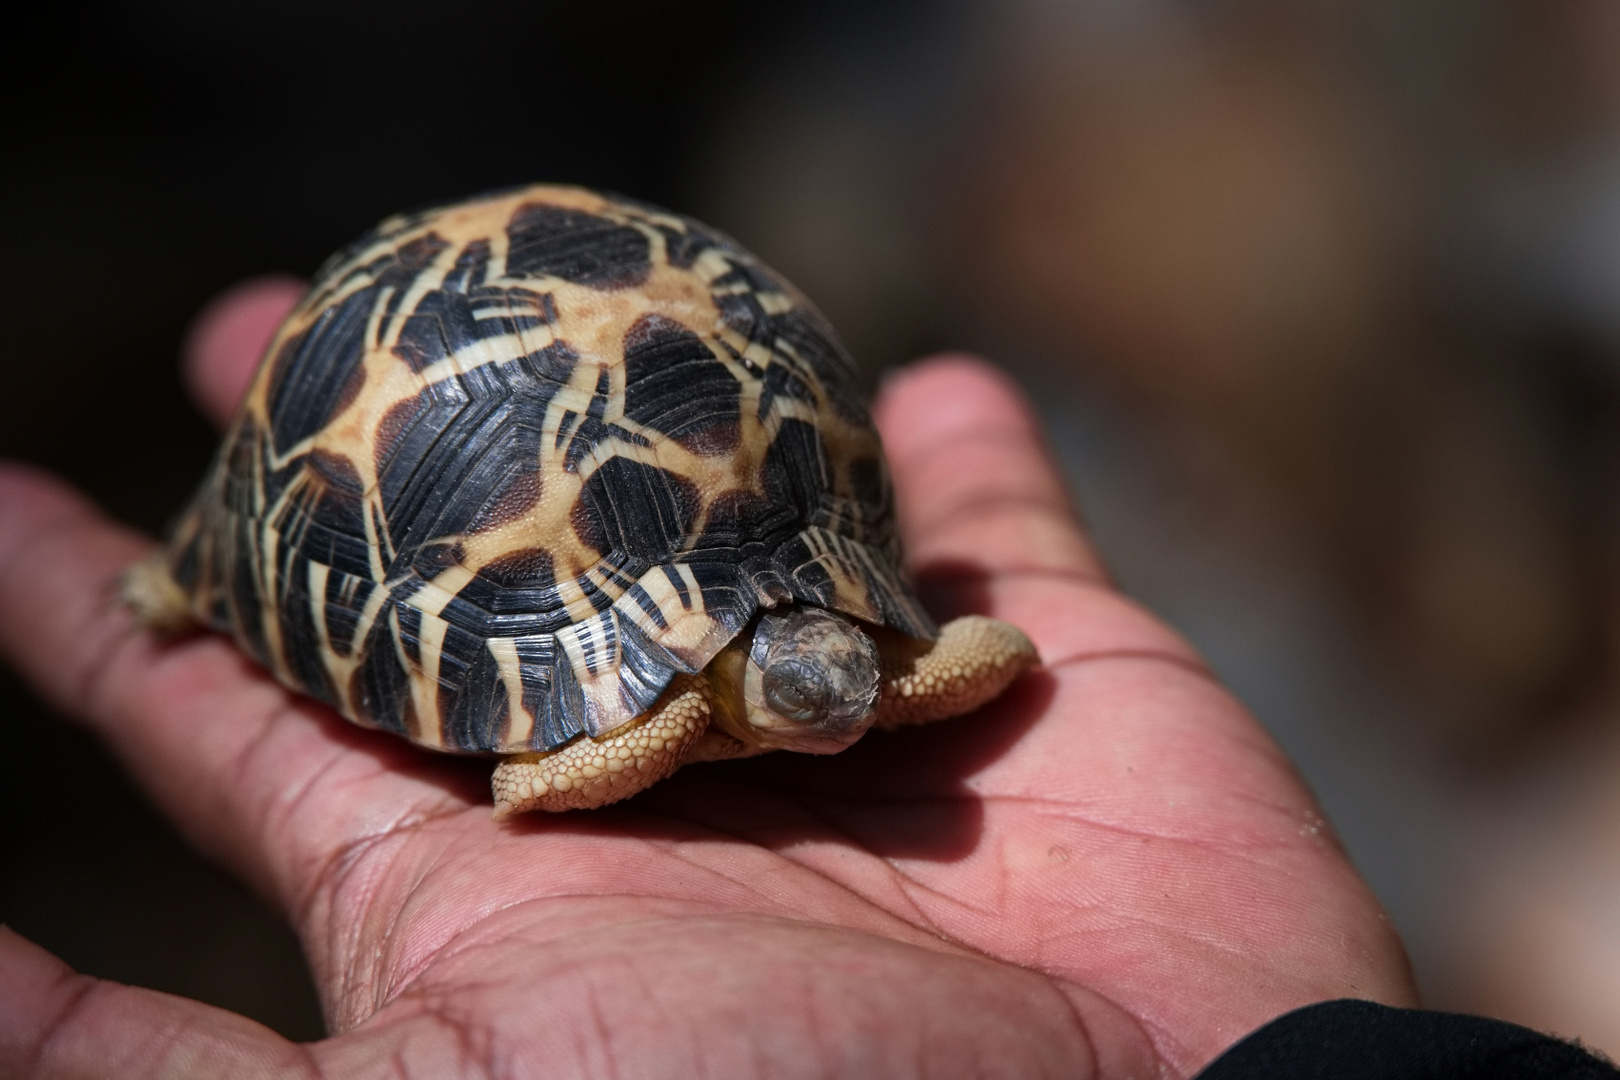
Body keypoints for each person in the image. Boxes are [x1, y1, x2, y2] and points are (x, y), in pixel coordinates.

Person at [0, 280, 1609, 1079]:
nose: (833, 700)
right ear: (740, 678)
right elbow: (538, 766)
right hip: (417, 378)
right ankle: (207, 554)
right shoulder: (675, 708)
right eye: (804, 682)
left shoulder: (846, 676)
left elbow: (957, 657)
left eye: (841, 678)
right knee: (176, 580)